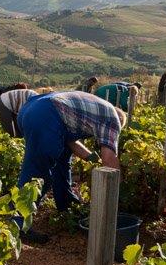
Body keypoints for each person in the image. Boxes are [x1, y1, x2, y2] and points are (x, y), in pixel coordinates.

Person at [16, 91, 126, 244]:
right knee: (39, 175)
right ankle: (18, 224)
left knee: (62, 160)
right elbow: (109, 159)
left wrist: (92, 158)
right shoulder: (113, 119)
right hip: (46, 115)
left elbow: (72, 143)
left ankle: (66, 205)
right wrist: (116, 191)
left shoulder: (95, 110)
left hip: (32, 109)